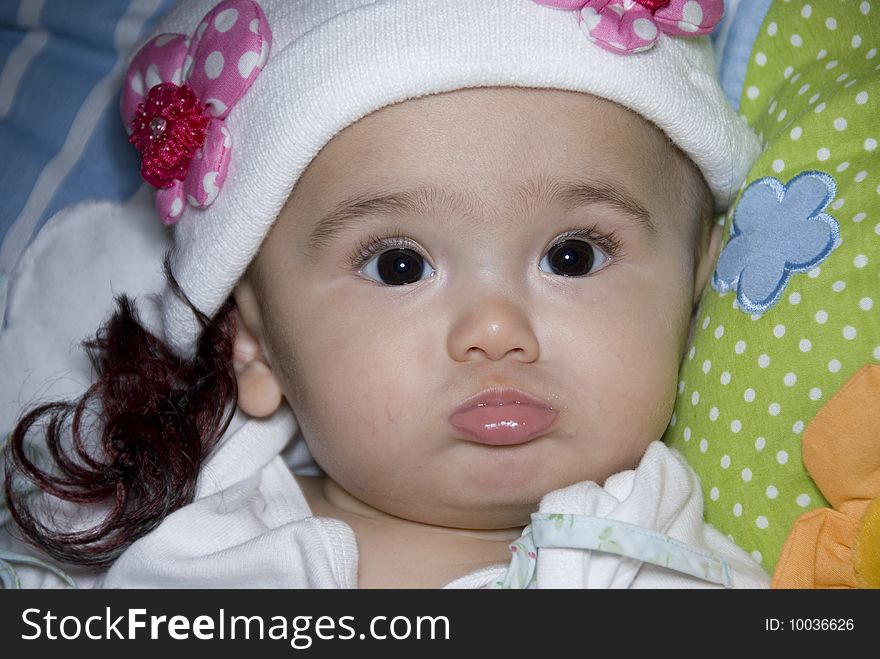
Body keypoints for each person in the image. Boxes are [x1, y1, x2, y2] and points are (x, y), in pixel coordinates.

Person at [1, 0, 770, 588]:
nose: (496, 329)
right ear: (253, 342)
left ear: (697, 279)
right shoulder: (183, 547)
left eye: (573, 255)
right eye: (398, 266)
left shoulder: (683, 570)